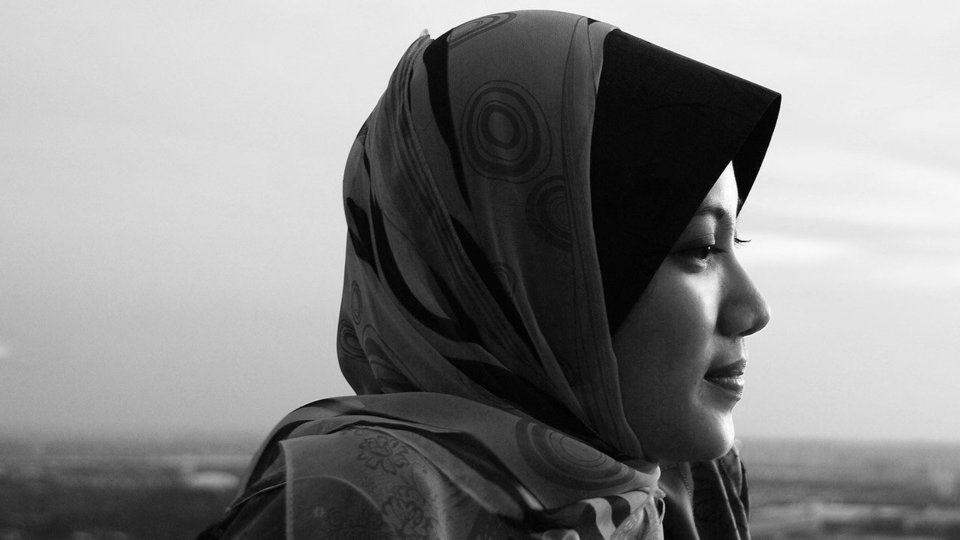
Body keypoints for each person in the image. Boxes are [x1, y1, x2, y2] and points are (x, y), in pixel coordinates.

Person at [200, 10, 780, 539]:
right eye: (700, 248)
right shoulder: (366, 503)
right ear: (535, 273)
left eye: (736, 242)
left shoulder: (682, 490)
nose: (754, 310)